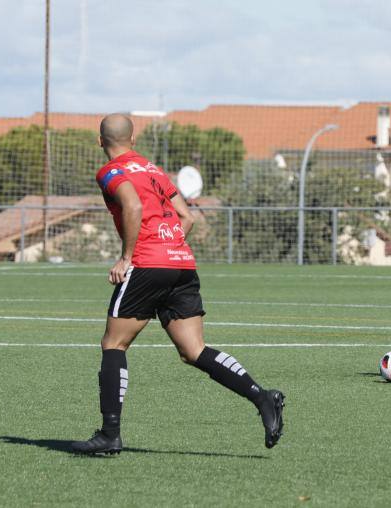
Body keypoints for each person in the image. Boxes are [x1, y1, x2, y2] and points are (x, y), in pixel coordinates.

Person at [72, 114, 284, 455]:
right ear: (133, 138)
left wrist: (127, 257)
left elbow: (133, 204)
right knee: (194, 351)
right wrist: (168, 248)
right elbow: (186, 217)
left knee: (113, 344)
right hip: (181, 263)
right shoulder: (153, 169)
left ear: (100, 141)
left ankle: (109, 434)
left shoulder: (111, 171)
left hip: (147, 264)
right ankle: (262, 397)